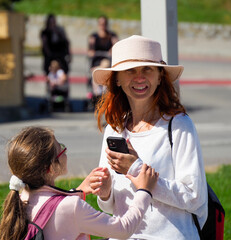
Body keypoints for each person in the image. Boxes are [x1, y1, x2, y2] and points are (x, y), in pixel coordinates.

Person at [90, 35, 208, 240]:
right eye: (130, 71)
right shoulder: (114, 130)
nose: (139, 77)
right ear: (117, 79)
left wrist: (136, 168)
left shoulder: (179, 125)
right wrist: (105, 192)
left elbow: (195, 196)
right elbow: (109, 207)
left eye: (147, 69)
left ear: (160, 76)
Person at [0, 126, 158, 240]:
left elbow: (53, 211)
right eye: (61, 149)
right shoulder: (72, 207)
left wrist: (79, 190)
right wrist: (144, 190)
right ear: (51, 168)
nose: (66, 152)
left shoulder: (21, 197)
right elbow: (123, 229)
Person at [87, 15, 118, 107]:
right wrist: (92, 51)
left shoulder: (111, 36)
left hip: (106, 61)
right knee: (95, 72)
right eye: (101, 24)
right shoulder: (94, 37)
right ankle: (97, 93)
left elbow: (115, 47)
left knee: (104, 66)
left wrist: (113, 48)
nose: (102, 26)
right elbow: (90, 51)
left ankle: (103, 92)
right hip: (96, 60)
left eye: (104, 24)